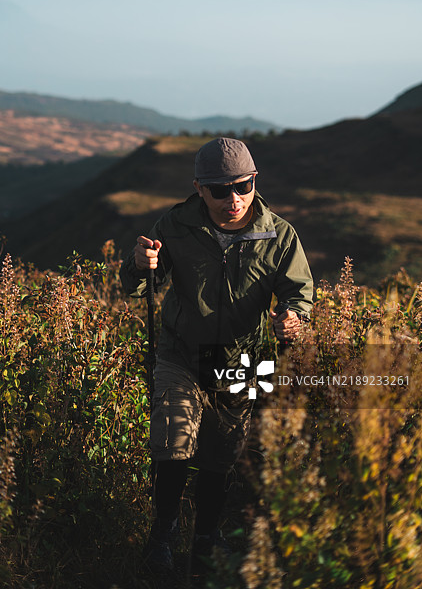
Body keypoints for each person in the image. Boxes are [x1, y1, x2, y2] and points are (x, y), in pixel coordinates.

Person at [120, 137, 313, 578]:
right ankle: (162, 538)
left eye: (242, 186)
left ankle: (205, 538)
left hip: (241, 358)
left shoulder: (279, 234)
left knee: (221, 456)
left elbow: (298, 291)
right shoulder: (175, 225)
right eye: (220, 189)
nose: (234, 199)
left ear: (254, 180)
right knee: (173, 440)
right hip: (181, 352)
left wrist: (293, 317)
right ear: (199, 188)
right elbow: (136, 287)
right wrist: (139, 264)